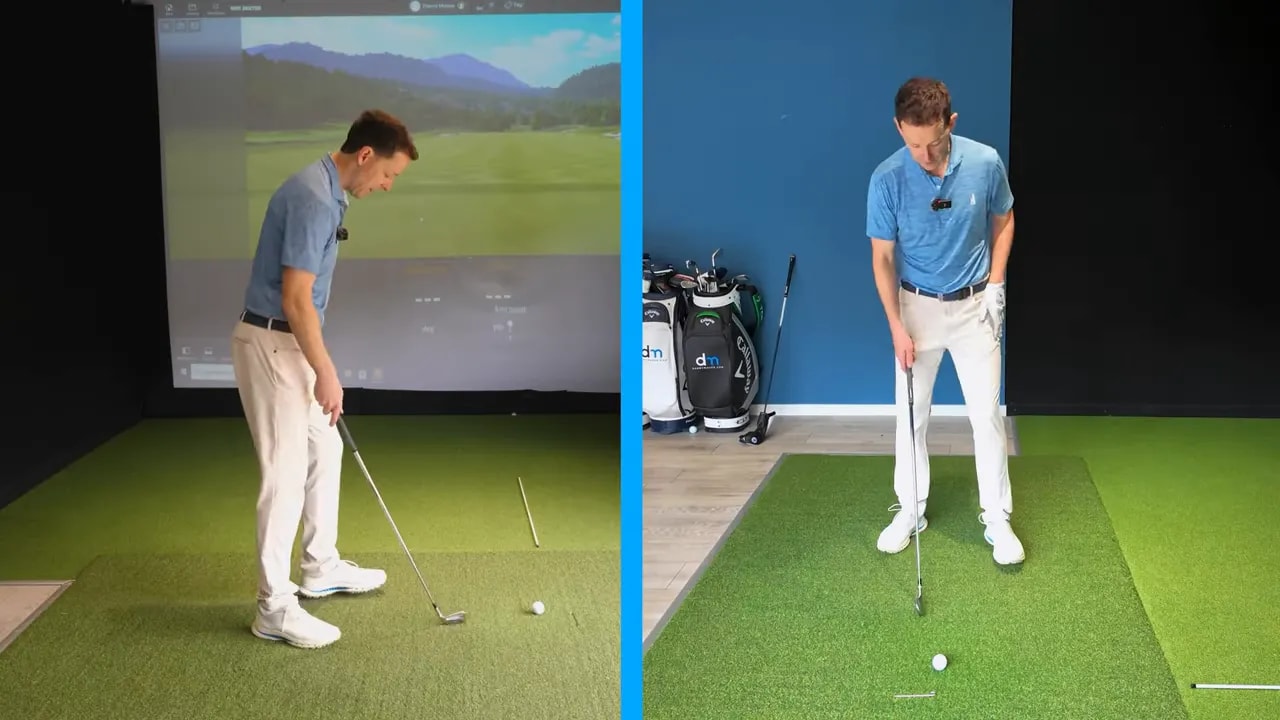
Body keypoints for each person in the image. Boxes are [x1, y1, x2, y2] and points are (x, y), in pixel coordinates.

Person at [230, 109, 419, 648]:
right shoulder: (314, 198)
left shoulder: (326, 190)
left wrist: (317, 366)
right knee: (284, 477)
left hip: (287, 341)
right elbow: (295, 300)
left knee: (325, 447)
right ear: (366, 155)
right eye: (389, 174)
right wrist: (327, 372)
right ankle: (273, 608)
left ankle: (318, 566)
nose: (387, 185)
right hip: (272, 343)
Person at [865, 78, 1024, 566]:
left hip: (975, 307)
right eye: (914, 144)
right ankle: (910, 510)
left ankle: (997, 517)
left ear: (950, 123)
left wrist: (996, 284)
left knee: (986, 416)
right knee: (910, 416)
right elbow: (882, 258)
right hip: (916, 309)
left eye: (933, 143)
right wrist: (896, 326)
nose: (925, 155)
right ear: (899, 128)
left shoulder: (984, 162)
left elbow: (1005, 220)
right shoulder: (887, 178)